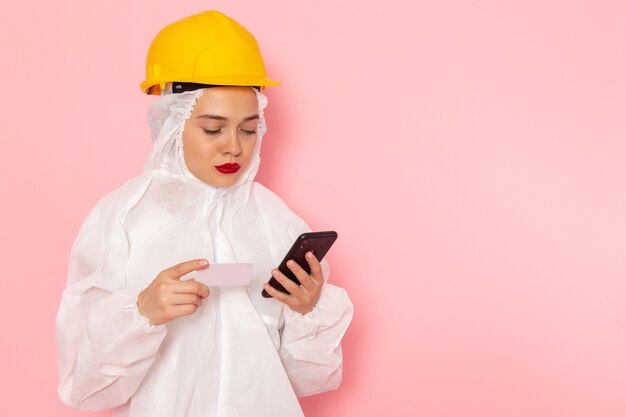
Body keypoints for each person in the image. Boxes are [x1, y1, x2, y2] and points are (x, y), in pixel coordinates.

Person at [55, 10, 353, 417]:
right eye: (213, 129)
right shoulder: (122, 219)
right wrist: (141, 313)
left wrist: (307, 312)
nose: (234, 147)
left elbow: (302, 380)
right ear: (172, 124)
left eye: (248, 129)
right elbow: (83, 387)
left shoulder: (275, 220)